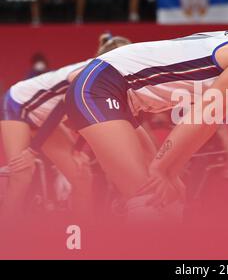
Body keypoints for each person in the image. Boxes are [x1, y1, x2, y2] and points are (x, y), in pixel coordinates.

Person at [62, 0, 228, 219]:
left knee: (170, 198)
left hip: (114, 93)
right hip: (100, 87)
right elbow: (203, 113)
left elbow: (208, 122)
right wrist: (162, 168)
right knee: (147, 197)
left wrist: (171, 170)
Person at [0, 33, 131, 221]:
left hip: (43, 116)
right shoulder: (88, 71)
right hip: (17, 104)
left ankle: (80, 237)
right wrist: (33, 150)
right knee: (22, 174)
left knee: (82, 176)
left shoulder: (108, 77)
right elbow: (61, 107)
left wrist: (77, 149)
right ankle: (7, 234)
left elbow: (93, 117)